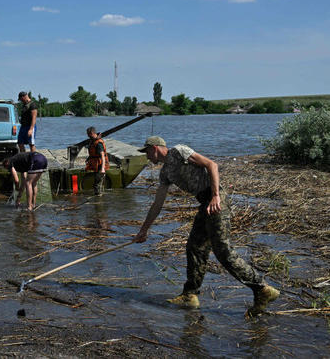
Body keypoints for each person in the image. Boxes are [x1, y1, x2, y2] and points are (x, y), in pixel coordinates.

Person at [134, 136, 279, 316]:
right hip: (204, 204)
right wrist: (144, 230)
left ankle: (262, 288)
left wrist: (216, 195)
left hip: (216, 200)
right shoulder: (165, 173)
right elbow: (157, 204)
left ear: (155, 148)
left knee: (222, 251)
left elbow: (212, 165)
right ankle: (190, 295)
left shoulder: (179, 151)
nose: (147, 156)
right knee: (195, 247)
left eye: (147, 152)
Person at [85, 126, 108, 195]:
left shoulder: (98, 144)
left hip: (100, 164)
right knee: (97, 182)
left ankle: (98, 199)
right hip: (96, 163)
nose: (88, 136)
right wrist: (88, 158)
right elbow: (93, 153)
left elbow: (102, 156)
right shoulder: (93, 141)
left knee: (97, 184)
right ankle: (99, 197)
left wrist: (103, 168)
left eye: (88, 134)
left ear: (92, 133)